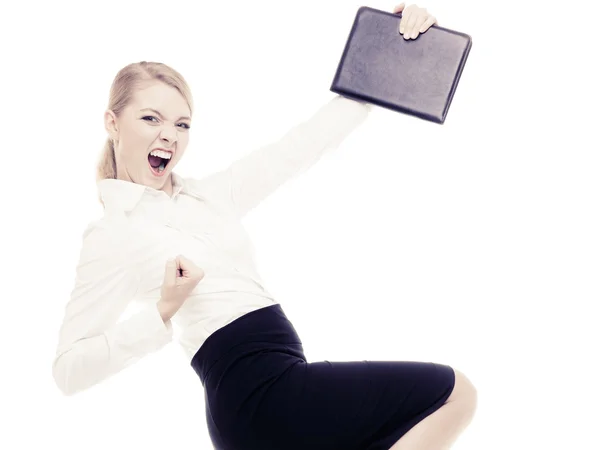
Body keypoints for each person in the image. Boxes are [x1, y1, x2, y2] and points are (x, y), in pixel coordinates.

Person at [52, 3, 477, 449]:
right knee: (454, 393)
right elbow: (67, 369)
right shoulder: (112, 234)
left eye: (181, 124)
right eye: (150, 118)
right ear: (112, 123)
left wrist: (388, 48)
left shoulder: (209, 195)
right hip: (258, 396)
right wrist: (163, 309)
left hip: (276, 389)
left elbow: (300, 146)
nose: (170, 135)